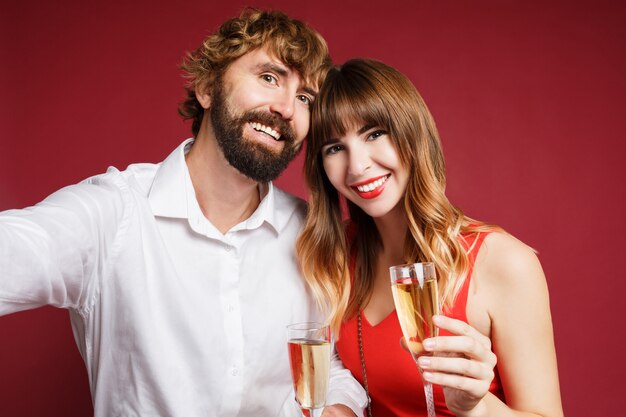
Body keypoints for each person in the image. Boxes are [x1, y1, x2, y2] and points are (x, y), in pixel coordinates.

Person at [0, 9, 368, 417]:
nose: (286, 108)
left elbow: (326, 362)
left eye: (304, 98)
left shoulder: (309, 232)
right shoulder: (115, 215)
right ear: (208, 88)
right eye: (269, 78)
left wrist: (340, 405)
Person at [296, 58, 563, 417]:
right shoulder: (336, 256)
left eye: (374, 133)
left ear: (413, 132)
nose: (357, 165)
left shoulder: (503, 262)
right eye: (334, 148)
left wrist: (476, 407)